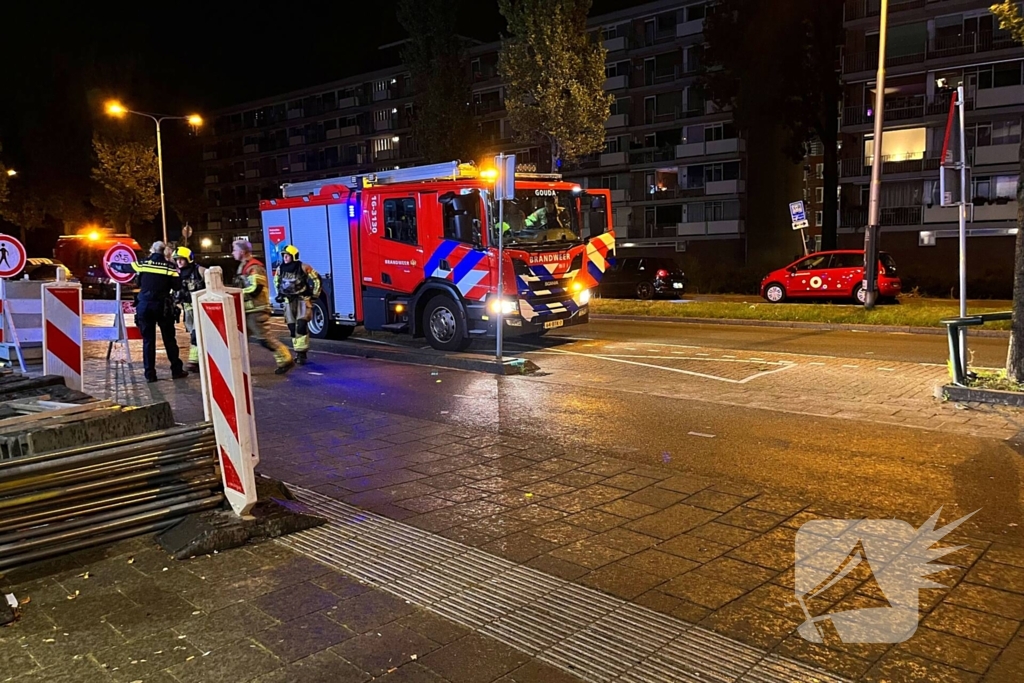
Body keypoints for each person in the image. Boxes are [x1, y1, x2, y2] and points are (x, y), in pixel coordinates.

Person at [232, 239, 294, 374]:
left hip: (256, 310)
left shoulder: (254, 267)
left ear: (242, 252)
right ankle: (239, 366)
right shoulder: (244, 266)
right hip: (248, 309)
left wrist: (236, 293)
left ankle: (285, 359)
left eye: (234, 250)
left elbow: (256, 288)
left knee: (264, 339)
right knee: (240, 340)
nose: (233, 253)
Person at [131, 241, 188, 383]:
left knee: (148, 341)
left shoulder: (143, 263)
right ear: (164, 252)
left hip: (144, 306)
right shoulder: (170, 267)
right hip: (163, 307)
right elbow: (177, 286)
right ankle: (176, 370)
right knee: (169, 339)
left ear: (151, 250)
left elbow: (136, 280)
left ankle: (150, 374)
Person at [274, 245, 321, 365]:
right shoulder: (281, 269)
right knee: (291, 327)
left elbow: (317, 279)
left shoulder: (304, 267)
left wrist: (314, 295)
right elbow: (277, 281)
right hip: (288, 301)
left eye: (287, 255)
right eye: (283, 255)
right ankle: (297, 350)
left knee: (301, 325)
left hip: (302, 299)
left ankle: (301, 353)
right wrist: (279, 294)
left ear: (293, 256)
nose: (285, 258)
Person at [173, 246, 206, 373]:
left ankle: (193, 361)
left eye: (182, 259)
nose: (179, 262)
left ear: (189, 259)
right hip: (188, 311)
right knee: (195, 335)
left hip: (201, 309)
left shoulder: (200, 271)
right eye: (177, 260)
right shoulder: (177, 275)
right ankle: (201, 359)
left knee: (195, 335)